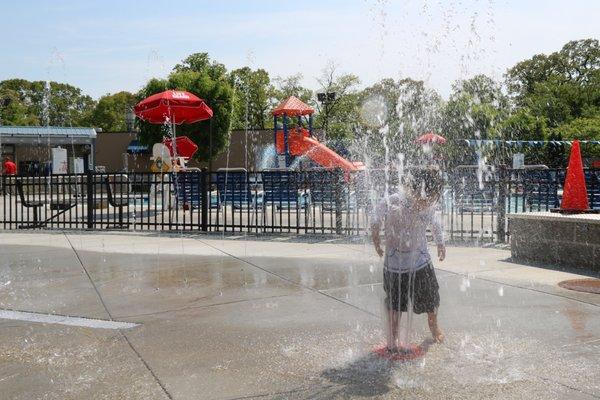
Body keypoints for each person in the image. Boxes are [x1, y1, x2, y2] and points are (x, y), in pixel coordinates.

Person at [371, 167, 446, 353]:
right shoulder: (391, 201)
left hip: (421, 262)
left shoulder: (428, 206)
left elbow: (435, 224)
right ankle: (393, 335)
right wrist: (376, 241)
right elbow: (375, 220)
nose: (427, 203)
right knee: (395, 303)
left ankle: (433, 324)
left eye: (432, 198)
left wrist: (440, 243)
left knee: (431, 297)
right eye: (424, 198)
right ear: (410, 189)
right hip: (394, 266)